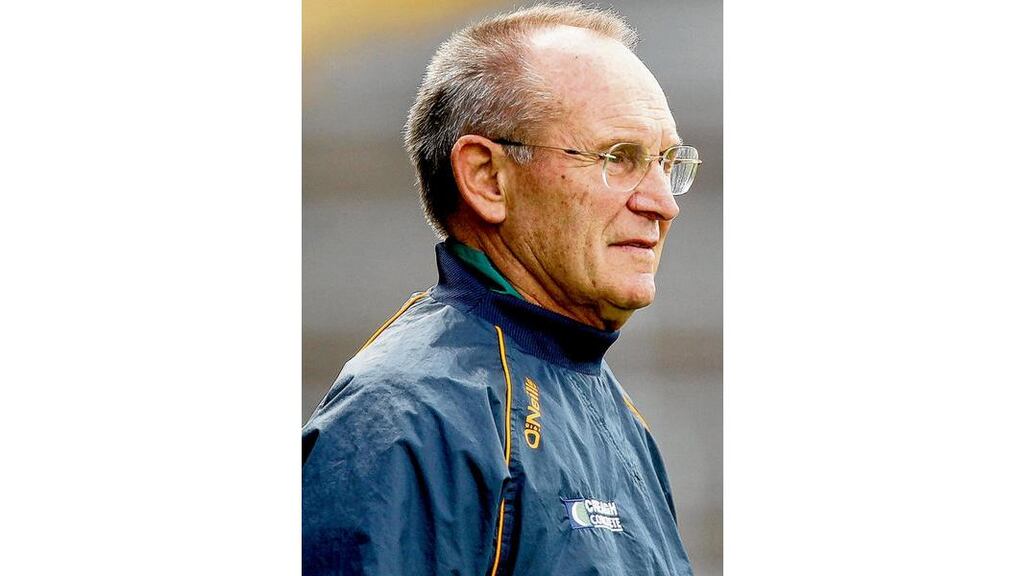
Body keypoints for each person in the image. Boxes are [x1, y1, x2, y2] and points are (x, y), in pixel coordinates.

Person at [302, 4, 701, 574]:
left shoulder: (616, 412)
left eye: (667, 163)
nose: (663, 204)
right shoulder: (406, 421)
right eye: (619, 158)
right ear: (488, 179)